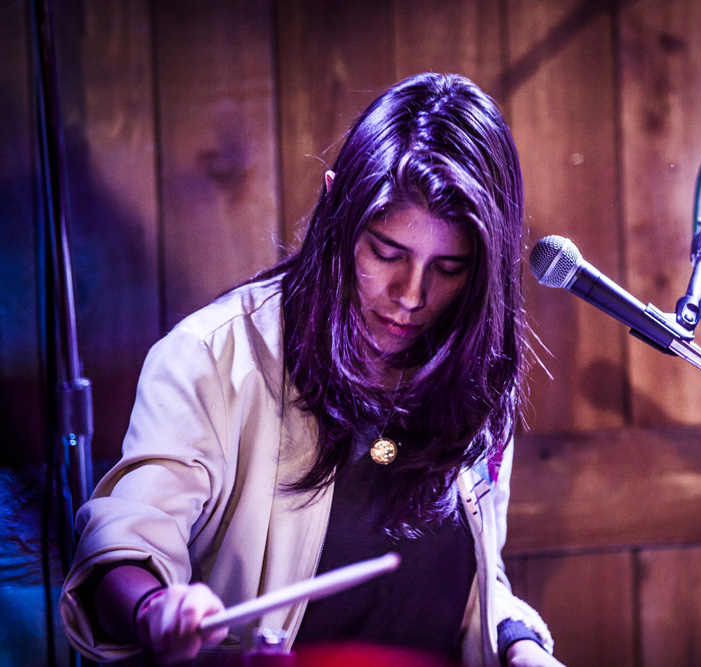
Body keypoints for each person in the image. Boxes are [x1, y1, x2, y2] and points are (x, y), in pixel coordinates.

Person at [59, 72, 565, 667]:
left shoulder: (469, 369)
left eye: (450, 267)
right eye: (386, 252)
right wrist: (154, 610)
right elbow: (125, 543)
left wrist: (519, 643)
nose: (411, 294)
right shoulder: (214, 356)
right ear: (335, 205)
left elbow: (472, 577)